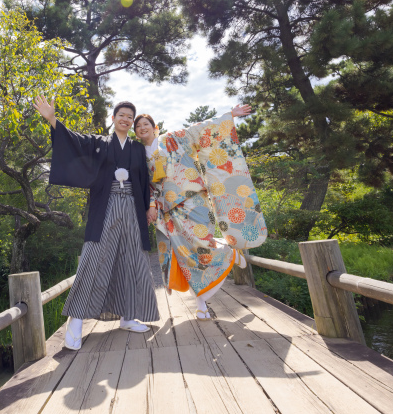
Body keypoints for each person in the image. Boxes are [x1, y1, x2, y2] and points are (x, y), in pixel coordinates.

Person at [33, 96, 160, 350]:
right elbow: (74, 141)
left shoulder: (136, 149)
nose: (126, 119)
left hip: (133, 208)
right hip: (108, 206)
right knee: (94, 258)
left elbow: (147, 179)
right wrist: (52, 119)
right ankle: (76, 321)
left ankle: (127, 316)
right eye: (121, 115)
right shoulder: (99, 143)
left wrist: (150, 205)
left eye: (129, 117)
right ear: (113, 119)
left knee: (132, 259)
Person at [134, 105, 267, 320]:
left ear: (155, 128)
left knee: (202, 246)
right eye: (138, 126)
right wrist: (150, 206)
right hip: (168, 211)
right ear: (136, 132)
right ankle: (202, 305)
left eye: (146, 124)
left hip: (193, 200)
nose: (142, 128)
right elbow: (144, 185)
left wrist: (229, 115)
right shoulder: (138, 155)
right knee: (185, 257)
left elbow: (199, 129)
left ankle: (227, 254)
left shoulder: (172, 139)